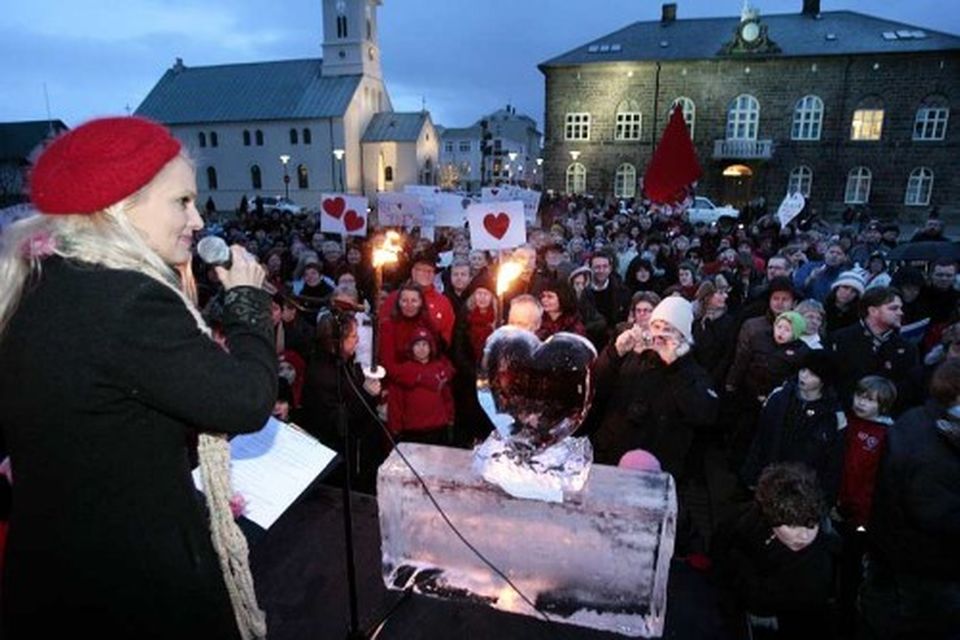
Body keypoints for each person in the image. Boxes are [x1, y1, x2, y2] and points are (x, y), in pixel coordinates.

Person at [0, 117, 276, 639]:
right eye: (182, 201)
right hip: (132, 589)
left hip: (56, 578)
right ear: (121, 205)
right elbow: (244, 400)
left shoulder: (40, 282)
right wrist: (248, 303)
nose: (198, 220)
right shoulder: (127, 299)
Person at [859, 359, 960, 638]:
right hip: (927, 569)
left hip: (898, 557)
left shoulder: (915, 419)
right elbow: (932, 511)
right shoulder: (930, 445)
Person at [713, 463, 841, 640]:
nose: (803, 535)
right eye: (792, 525)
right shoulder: (742, 525)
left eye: (811, 524)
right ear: (769, 517)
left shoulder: (824, 562)